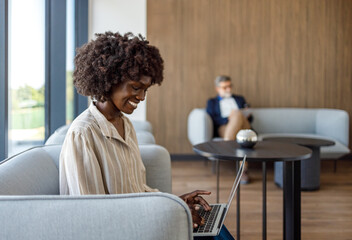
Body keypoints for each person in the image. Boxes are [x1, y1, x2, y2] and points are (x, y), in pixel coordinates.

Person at [59, 32, 233, 239]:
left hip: (139, 222)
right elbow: (91, 213)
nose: (141, 97)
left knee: (214, 227)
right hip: (121, 231)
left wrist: (176, 203)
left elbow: (136, 189)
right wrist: (166, 217)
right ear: (109, 80)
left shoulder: (125, 125)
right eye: (135, 87)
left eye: (146, 90)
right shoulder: (83, 133)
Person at [206, 75, 252, 184]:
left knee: (238, 114)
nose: (229, 89)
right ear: (217, 88)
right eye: (225, 87)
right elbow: (213, 119)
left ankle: (227, 144)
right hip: (224, 127)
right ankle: (243, 171)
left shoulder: (240, 99)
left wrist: (244, 114)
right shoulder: (212, 102)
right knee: (243, 137)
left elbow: (251, 118)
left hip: (244, 125)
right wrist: (229, 118)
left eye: (230, 86)